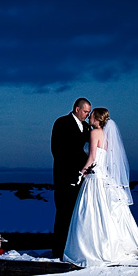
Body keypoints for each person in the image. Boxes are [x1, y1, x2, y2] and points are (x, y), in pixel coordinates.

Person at [63, 108, 138, 267]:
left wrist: (80, 173)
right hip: (104, 176)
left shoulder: (95, 133)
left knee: (89, 213)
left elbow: (93, 157)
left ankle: (91, 250)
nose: (88, 118)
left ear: (97, 119)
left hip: (95, 176)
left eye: (91, 115)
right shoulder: (107, 136)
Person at [50, 98, 91, 259]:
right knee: (63, 213)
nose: (88, 115)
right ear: (76, 109)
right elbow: (58, 151)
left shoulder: (87, 127)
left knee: (78, 214)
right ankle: (59, 250)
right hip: (64, 176)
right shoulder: (61, 123)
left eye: (89, 112)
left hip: (83, 177)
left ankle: (74, 249)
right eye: (86, 111)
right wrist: (72, 174)